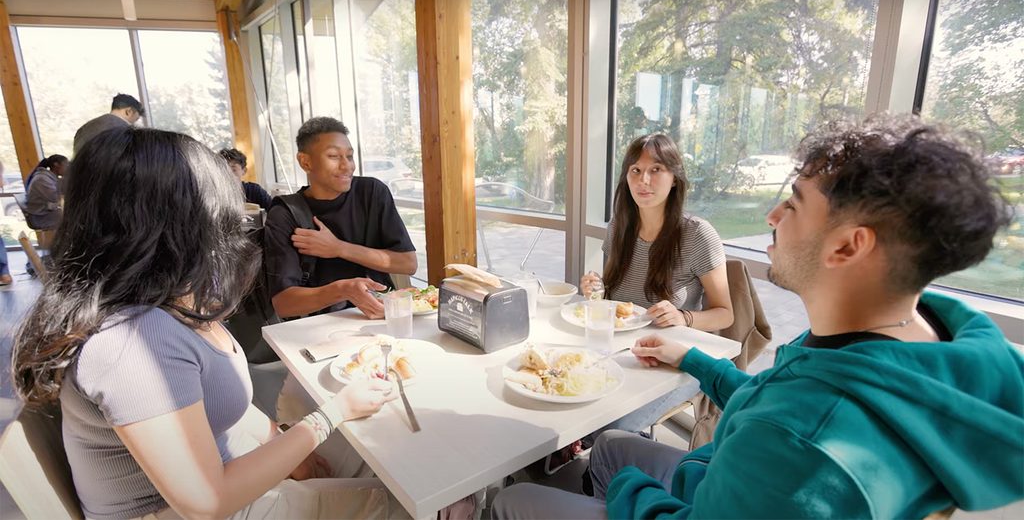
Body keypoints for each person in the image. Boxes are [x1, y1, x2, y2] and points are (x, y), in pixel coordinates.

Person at [493, 114, 1023, 518]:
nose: (771, 217)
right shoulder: (904, 339)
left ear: (849, 246)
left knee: (518, 499)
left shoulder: (803, 440)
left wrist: (634, 493)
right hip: (718, 471)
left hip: (707, 495)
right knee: (609, 446)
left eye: (792, 203)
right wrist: (700, 361)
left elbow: (781, 429)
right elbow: (770, 397)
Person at [12, 127, 408, 519]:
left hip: (226, 470)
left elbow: (224, 406)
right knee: (407, 499)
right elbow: (207, 503)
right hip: (188, 509)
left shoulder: (160, 303)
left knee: (374, 456)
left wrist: (293, 450)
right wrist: (330, 415)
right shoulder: (131, 340)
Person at [580, 133, 733, 435]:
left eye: (656, 170)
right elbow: (612, 293)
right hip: (621, 350)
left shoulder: (697, 234)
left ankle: (602, 470)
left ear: (674, 177)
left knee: (609, 427)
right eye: (635, 170)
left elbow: (726, 313)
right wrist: (595, 289)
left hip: (675, 363)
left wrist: (684, 317)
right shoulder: (619, 226)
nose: (643, 180)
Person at [263, 116, 417, 320]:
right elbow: (284, 304)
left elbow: (408, 264)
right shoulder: (285, 214)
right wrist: (344, 289)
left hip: (380, 317)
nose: (347, 166)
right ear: (305, 161)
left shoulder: (371, 192)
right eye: (334, 156)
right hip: (318, 326)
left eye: (350, 156)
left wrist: (338, 248)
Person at [72, 93, 145, 156]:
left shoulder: (84, 128)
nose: (134, 123)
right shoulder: (125, 130)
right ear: (128, 111)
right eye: (136, 119)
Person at [25, 154, 68, 231]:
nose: (67, 168)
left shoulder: (49, 178)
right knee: (75, 218)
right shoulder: (42, 179)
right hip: (40, 217)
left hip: (45, 212)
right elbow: (55, 198)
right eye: (66, 165)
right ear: (56, 165)